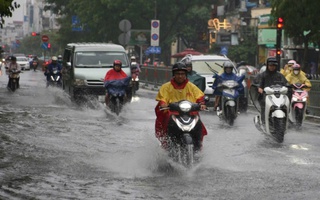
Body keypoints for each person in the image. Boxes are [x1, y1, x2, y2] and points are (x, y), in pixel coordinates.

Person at [155, 62, 207, 151]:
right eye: (178, 74)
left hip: (190, 113)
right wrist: (163, 104)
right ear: (173, 74)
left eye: (182, 74)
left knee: (199, 127)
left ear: (186, 74)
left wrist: (201, 104)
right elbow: (162, 99)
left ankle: (198, 148)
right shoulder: (166, 87)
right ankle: (168, 146)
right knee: (167, 125)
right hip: (173, 114)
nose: (180, 76)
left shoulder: (191, 86)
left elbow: (200, 97)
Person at [258, 57, 288, 124]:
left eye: (274, 66)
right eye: (270, 65)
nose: (272, 67)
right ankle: (263, 122)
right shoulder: (263, 75)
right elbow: (258, 83)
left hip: (278, 96)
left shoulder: (280, 75)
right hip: (266, 96)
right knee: (264, 105)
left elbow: (285, 83)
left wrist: (288, 86)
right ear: (267, 66)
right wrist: (259, 88)